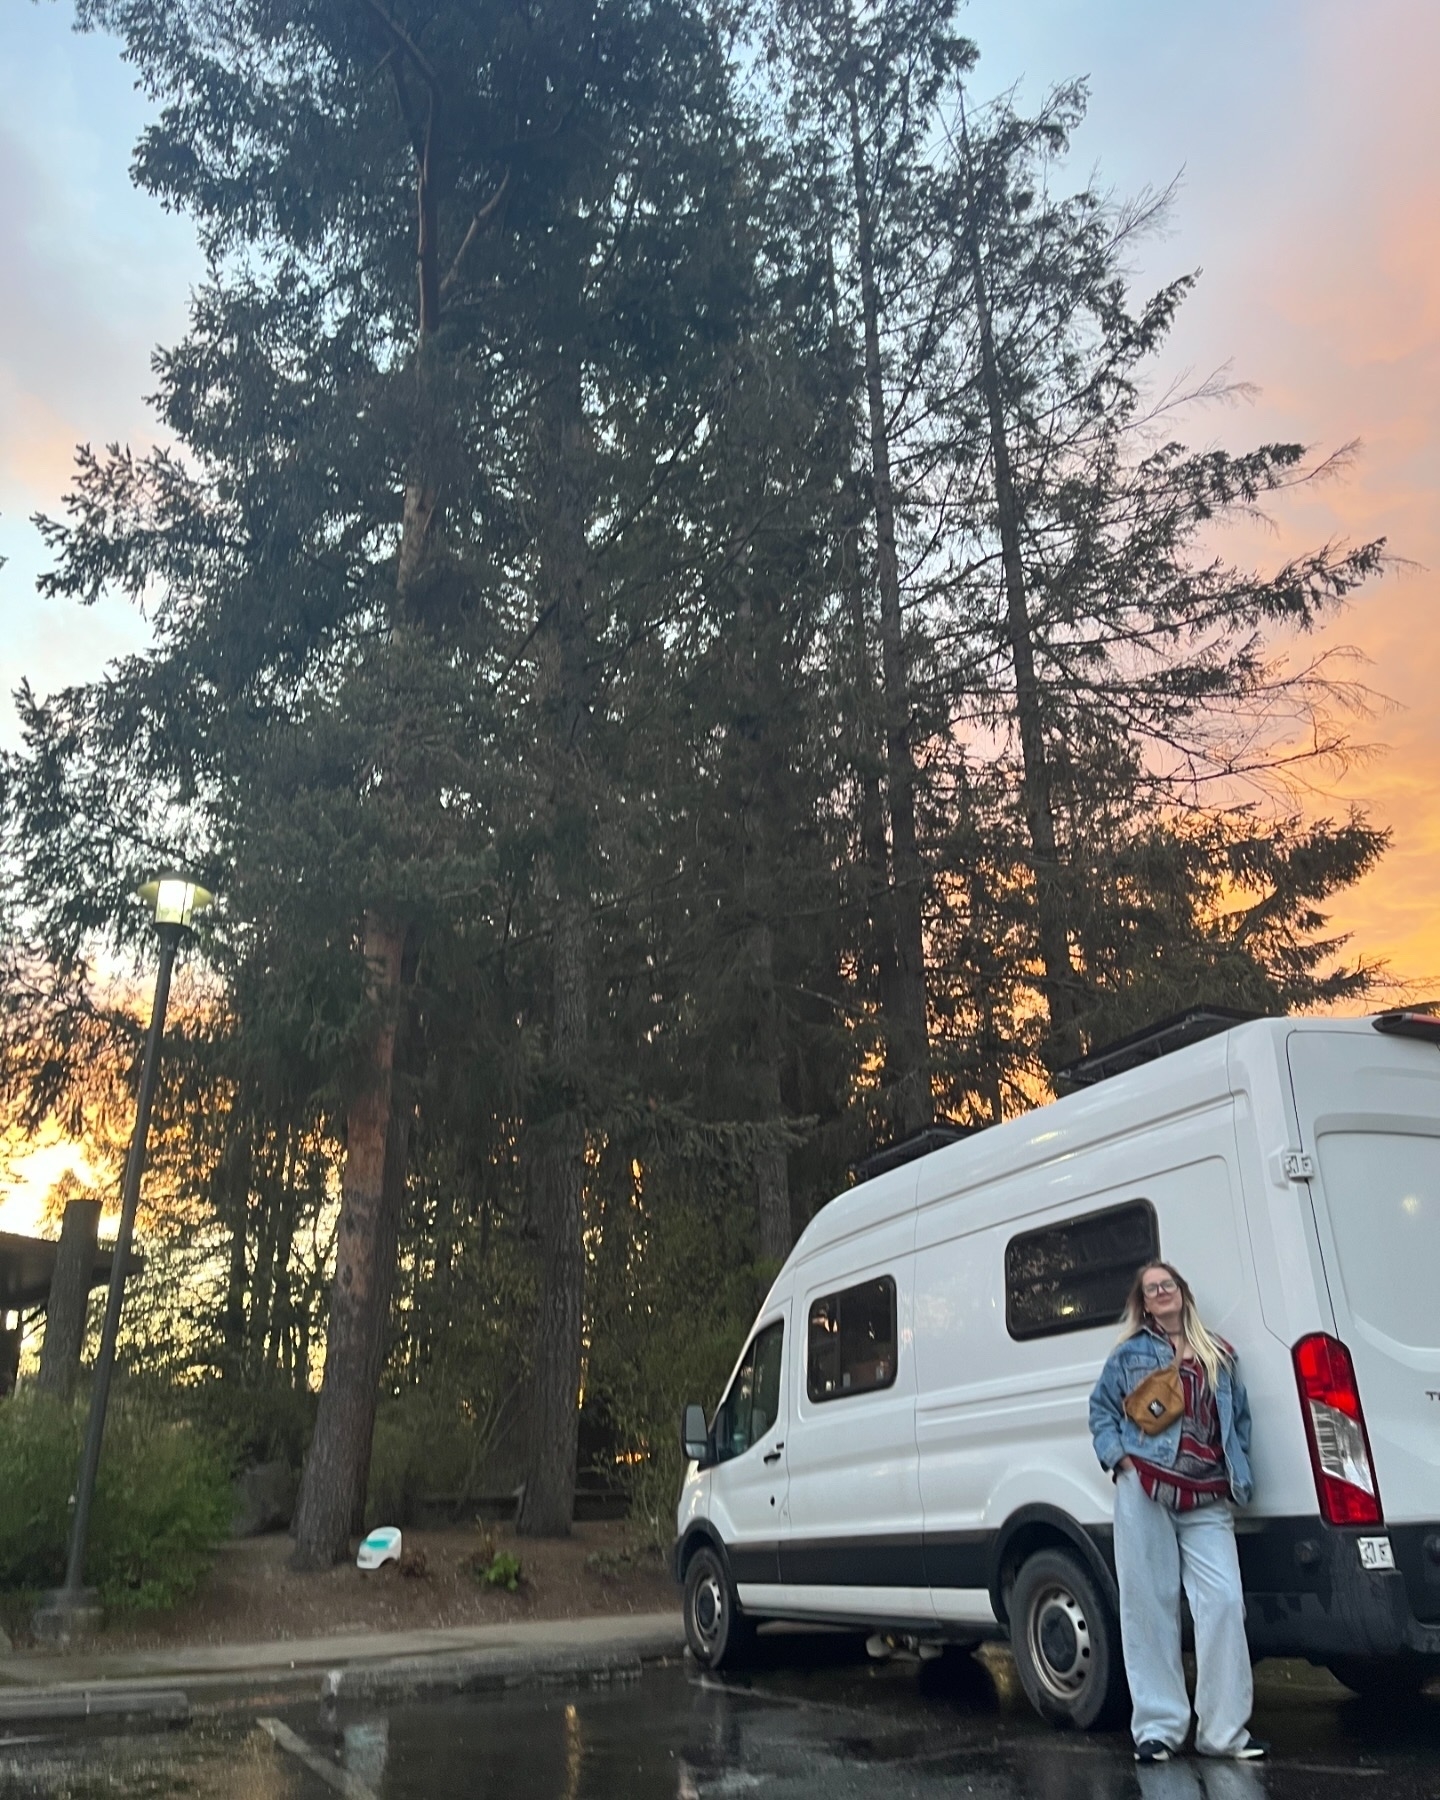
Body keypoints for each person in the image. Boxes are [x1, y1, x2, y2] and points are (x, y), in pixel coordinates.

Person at [1089, 1261, 1265, 1764]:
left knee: (1225, 1603)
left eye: (1168, 1285)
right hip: (1145, 1488)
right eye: (1152, 1289)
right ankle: (1159, 1729)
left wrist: (1239, 1472)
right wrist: (1120, 1460)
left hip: (1207, 1495)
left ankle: (1224, 1733)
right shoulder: (1129, 1355)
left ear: (1183, 1293)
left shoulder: (1220, 1354)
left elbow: (1241, 1420)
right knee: (1147, 1605)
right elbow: (1101, 1410)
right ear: (1144, 1304)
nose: (1161, 1292)